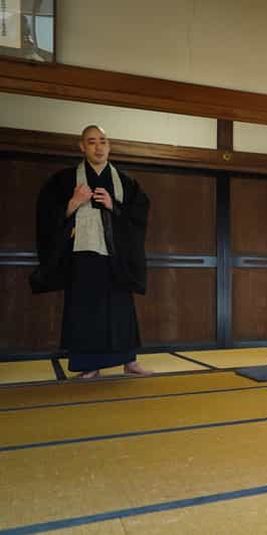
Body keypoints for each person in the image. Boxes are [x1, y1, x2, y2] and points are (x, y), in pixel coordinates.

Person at [31, 125, 151, 378]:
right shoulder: (64, 180)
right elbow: (46, 216)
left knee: (121, 308)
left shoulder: (126, 182)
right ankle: (89, 364)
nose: (98, 147)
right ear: (82, 147)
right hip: (82, 254)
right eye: (92, 142)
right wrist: (73, 203)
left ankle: (129, 360)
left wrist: (113, 205)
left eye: (103, 142)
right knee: (84, 310)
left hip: (116, 256)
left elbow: (139, 216)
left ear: (109, 146)